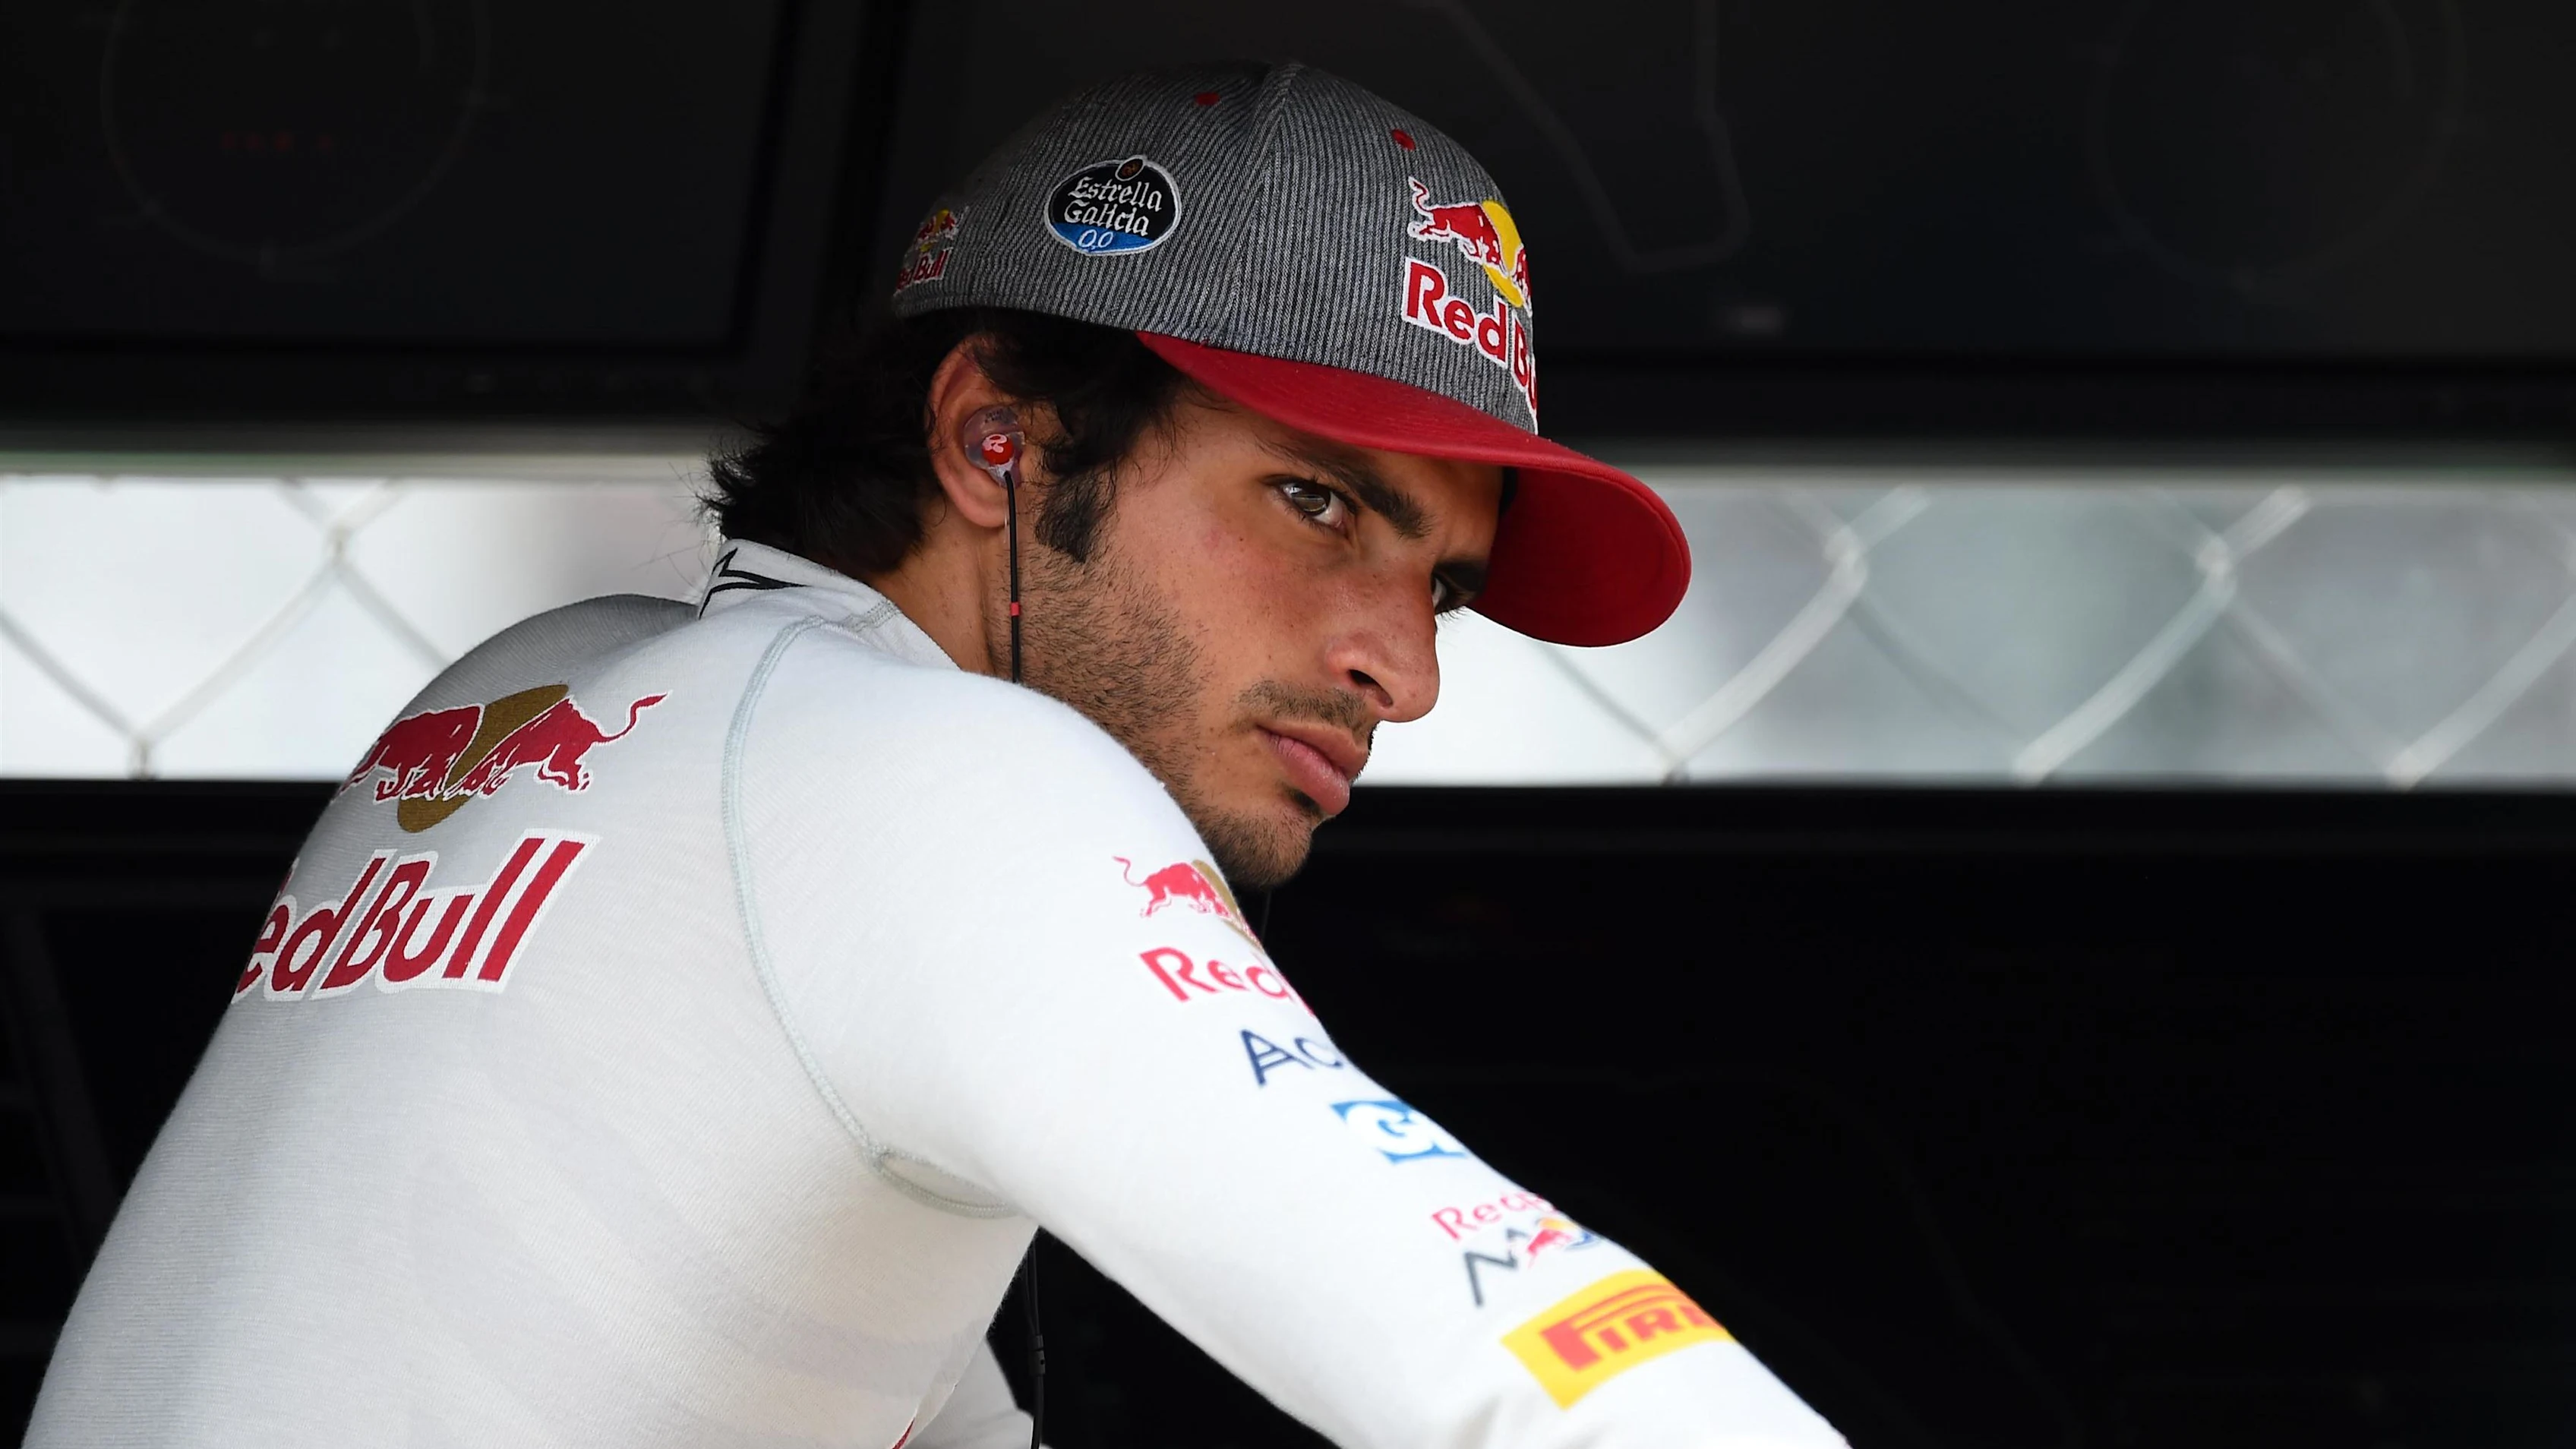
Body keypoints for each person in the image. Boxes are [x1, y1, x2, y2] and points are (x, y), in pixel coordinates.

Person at [28, 63, 1844, 1449]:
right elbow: (1511, 1360)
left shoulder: (551, 698)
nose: (1400, 668)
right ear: (999, 442)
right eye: (1313, 502)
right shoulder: (927, 772)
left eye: (1439, 583)